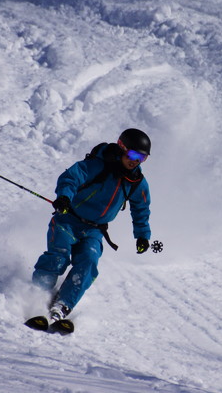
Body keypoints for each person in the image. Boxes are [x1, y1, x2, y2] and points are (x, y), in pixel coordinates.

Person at [31, 128, 152, 321]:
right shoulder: (97, 165)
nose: (135, 161)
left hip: (94, 230)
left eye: (142, 158)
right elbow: (71, 178)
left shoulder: (136, 182)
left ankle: (63, 305)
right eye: (133, 154)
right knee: (59, 256)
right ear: (122, 148)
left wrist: (143, 236)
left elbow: (141, 209)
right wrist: (64, 198)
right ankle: (36, 297)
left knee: (88, 261)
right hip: (68, 219)